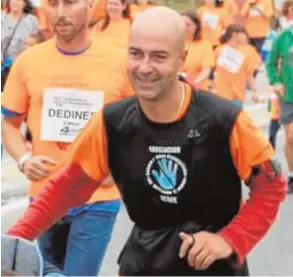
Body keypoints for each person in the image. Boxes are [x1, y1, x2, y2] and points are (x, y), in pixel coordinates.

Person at [6, 6, 286, 276]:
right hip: (143, 263)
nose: (144, 67)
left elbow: (271, 187)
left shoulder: (225, 120)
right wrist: (12, 244)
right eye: (136, 54)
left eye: (159, 57)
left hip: (215, 269)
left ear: (182, 58)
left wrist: (229, 239)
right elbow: (65, 188)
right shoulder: (111, 122)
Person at [1, 0, 133, 275]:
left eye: (70, 3)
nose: (60, 13)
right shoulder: (29, 61)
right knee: (40, 269)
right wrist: (24, 160)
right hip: (45, 194)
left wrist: (120, 166)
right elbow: (10, 124)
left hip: (98, 196)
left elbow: (140, 128)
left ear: (90, 5)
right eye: (53, 4)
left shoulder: (119, 63)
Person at [265, 26, 293, 193]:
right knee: (290, 138)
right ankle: (292, 175)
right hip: (289, 96)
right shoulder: (283, 36)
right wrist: (276, 82)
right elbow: (271, 63)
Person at [214, 24, 260, 107]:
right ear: (234, 34)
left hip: (238, 94)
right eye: (243, 34)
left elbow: (249, 73)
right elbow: (215, 70)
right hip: (221, 93)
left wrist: (254, 91)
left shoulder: (248, 51)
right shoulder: (220, 50)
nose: (246, 37)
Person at [1, 0, 39, 90]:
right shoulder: (2, 20)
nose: (15, 2)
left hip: (24, 65)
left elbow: (36, 41)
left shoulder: (31, 20)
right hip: (5, 66)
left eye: (18, 0)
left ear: (25, 3)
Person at [180, 10, 214, 91]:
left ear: (196, 26)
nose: (184, 27)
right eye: (181, 24)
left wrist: (193, 83)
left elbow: (206, 71)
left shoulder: (205, 45)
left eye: (188, 25)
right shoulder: (173, 42)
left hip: (196, 89)